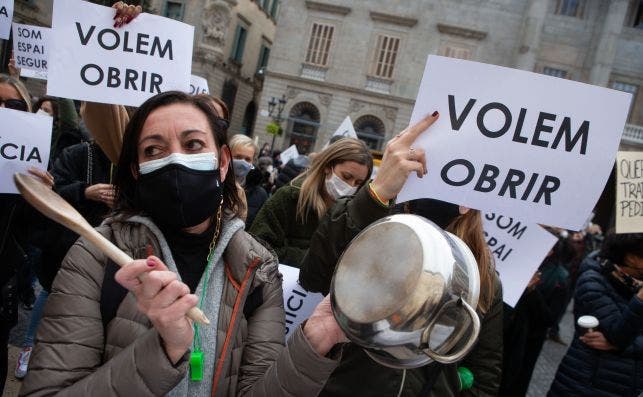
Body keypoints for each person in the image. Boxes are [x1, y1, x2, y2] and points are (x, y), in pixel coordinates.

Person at [19, 91, 345, 396]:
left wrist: (313, 344)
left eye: (192, 144)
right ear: (136, 170)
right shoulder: (95, 255)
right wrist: (163, 350)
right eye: (153, 150)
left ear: (222, 162)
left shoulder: (257, 269)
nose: (175, 159)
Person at [299, 111, 503, 396]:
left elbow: (485, 374)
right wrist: (377, 192)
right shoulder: (377, 229)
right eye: (426, 170)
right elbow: (313, 276)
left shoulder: (481, 274)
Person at [249, 138, 372, 268]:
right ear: (327, 167)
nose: (350, 186)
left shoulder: (352, 216)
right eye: (346, 177)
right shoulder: (289, 198)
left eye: (358, 183)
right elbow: (257, 248)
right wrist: (311, 259)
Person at [548, 232, 643, 397]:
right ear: (631, 258)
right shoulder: (593, 281)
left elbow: (617, 342)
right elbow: (617, 334)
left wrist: (619, 345)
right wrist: (640, 300)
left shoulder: (636, 285)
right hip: (585, 384)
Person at [500, 237, 572, 397]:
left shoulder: (560, 277)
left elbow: (550, 318)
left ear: (550, 251)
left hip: (528, 342)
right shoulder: (518, 264)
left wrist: (532, 291)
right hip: (506, 334)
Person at [229, 134, 268, 228]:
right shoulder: (214, 185)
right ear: (227, 155)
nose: (242, 162)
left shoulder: (260, 194)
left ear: (253, 162)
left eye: (247, 159)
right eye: (238, 157)